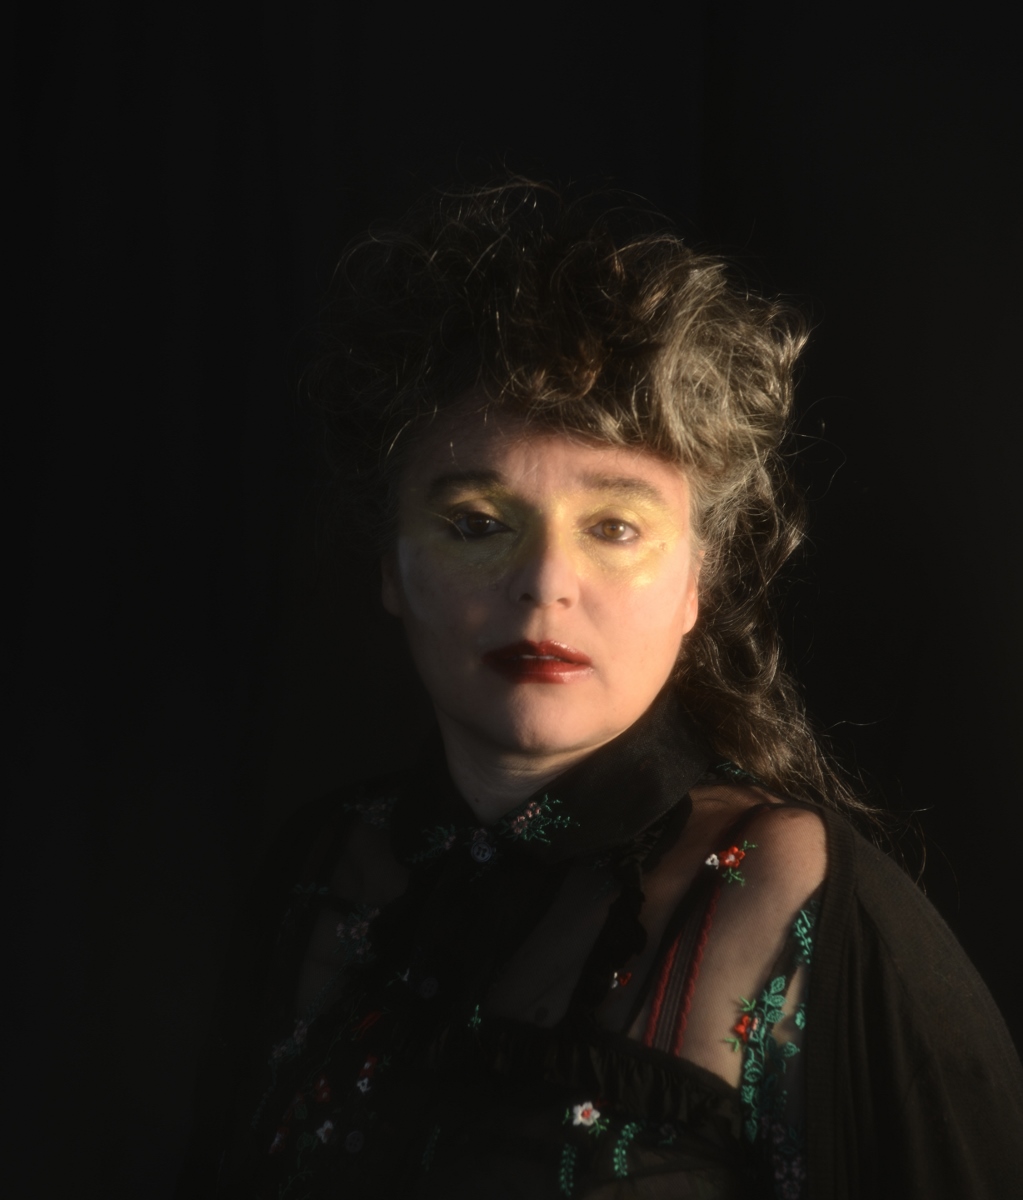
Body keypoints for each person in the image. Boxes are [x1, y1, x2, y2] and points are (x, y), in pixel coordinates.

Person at [179, 180, 1023, 1199]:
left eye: (615, 527)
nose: (544, 583)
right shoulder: (321, 868)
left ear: (696, 582)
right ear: (392, 567)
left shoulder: (794, 901)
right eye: (477, 523)